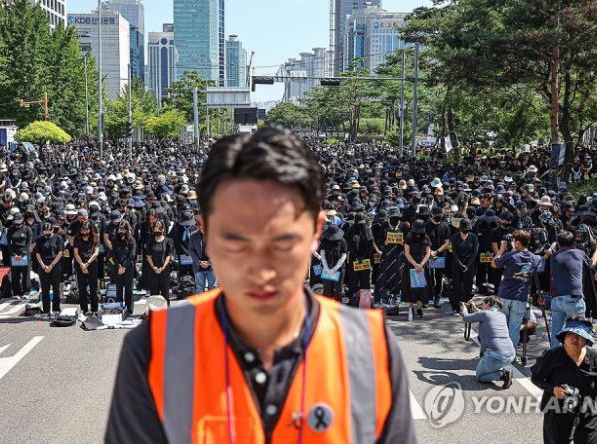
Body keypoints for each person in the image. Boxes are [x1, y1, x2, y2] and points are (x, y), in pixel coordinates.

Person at [106, 128, 415, 443]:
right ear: (205, 232)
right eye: (236, 241)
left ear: (315, 231)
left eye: (282, 241)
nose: (260, 269)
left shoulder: (370, 351)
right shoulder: (154, 350)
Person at [531, 317, 597, 444]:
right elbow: (536, 378)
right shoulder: (552, 356)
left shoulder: (595, 358)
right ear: (564, 336)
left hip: (587, 411)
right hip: (556, 410)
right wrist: (553, 389)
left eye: (580, 336)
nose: (574, 339)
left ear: (586, 340)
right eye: (570, 334)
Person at [492, 230, 542, 349]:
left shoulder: (509, 255)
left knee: (503, 326)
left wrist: (501, 249)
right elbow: (540, 265)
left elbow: (494, 264)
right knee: (514, 328)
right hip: (520, 297)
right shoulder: (535, 258)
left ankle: (501, 350)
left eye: (514, 242)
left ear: (518, 243)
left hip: (505, 295)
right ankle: (511, 353)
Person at [460, 296, 515, 388]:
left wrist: (464, 309)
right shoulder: (502, 316)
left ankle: (503, 374)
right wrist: (475, 308)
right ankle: (501, 370)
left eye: (483, 304)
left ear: (488, 303)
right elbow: (486, 315)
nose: (482, 306)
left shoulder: (485, 314)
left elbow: (466, 318)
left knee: (480, 376)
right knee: (490, 364)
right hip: (511, 355)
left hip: (496, 356)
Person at [548, 231, 590, 348]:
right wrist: (596, 249)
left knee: (556, 330)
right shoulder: (579, 253)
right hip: (573, 297)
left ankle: (555, 358)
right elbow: (592, 265)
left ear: (558, 244)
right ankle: (578, 359)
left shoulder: (554, 256)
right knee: (578, 330)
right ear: (573, 243)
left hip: (556, 299)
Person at [34, 222, 64, 316]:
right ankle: (46, 310)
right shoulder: (39, 239)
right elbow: (37, 253)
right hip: (43, 264)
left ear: (52, 230)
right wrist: (43, 265)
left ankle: (56, 309)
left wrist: (51, 265)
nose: (47, 233)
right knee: (45, 289)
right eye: (45, 231)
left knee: (56, 289)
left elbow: (60, 252)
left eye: (49, 231)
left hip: (55, 264)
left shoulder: (58, 238)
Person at [404, 219, 432, 319]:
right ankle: (411, 307)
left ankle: (419, 308)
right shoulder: (408, 237)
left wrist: (421, 264)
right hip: (411, 265)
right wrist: (415, 264)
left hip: (422, 265)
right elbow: (406, 253)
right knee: (410, 287)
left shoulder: (426, 237)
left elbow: (428, 252)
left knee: (421, 288)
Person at [450, 218, 479, 315]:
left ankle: (466, 306)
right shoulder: (454, 237)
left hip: (469, 265)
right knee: (456, 287)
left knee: (468, 287)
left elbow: (475, 252)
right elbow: (453, 252)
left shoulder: (473, 237)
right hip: (457, 264)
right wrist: (460, 264)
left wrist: (467, 265)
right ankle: (455, 308)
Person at [110, 219, 137, 316]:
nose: (121, 231)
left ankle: (129, 309)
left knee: (129, 290)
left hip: (128, 267)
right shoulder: (114, 240)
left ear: (127, 230)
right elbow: (112, 255)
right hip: (118, 268)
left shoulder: (131, 240)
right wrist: (118, 266)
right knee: (119, 289)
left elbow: (132, 255)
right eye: (119, 229)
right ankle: (119, 308)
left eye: (123, 229)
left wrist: (124, 266)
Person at [73, 220, 100, 315]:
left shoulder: (95, 237)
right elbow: (75, 253)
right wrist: (82, 265)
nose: (84, 232)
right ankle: (84, 309)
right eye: (82, 230)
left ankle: (94, 309)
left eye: (86, 230)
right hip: (80, 265)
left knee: (93, 289)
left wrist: (87, 264)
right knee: (82, 289)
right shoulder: (76, 238)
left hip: (91, 264)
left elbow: (96, 253)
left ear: (90, 230)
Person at [145, 219, 174, 305]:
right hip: (152, 270)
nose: (157, 229)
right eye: (155, 227)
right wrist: (154, 267)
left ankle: (166, 312)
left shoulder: (168, 241)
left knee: (165, 292)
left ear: (163, 229)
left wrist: (163, 267)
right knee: (154, 293)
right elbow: (148, 256)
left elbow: (169, 255)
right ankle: (155, 313)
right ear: (153, 229)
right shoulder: (150, 241)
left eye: (159, 227)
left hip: (164, 270)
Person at [7, 213, 33, 297]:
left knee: (25, 273)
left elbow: (29, 243)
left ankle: (26, 291)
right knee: (15, 274)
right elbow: (9, 243)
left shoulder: (27, 229)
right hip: (14, 254)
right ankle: (16, 291)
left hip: (24, 254)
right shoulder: (11, 230)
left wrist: (23, 254)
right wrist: (13, 254)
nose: (17, 224)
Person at [189, 224, 216, 294]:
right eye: (200, 226)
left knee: (213, 288)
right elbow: (191, 250)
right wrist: (199, 262)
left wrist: (209, 262)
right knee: (199, 289)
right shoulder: (193, 235)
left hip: (212, 266)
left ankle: (212, 305)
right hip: (198, 267)